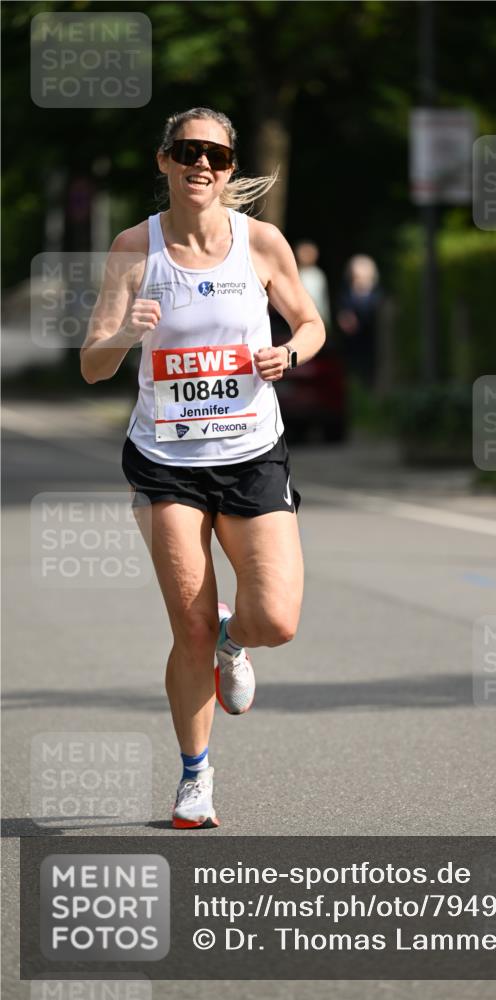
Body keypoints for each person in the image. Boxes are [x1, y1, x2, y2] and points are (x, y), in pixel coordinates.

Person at [80, 107, 325, 828]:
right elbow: (93, 364)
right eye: (188, 151)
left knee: (276, 619)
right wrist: (126, 334)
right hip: (167, 462)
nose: (201, 165)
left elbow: (309, 323)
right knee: (186, 629)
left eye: (216, 156)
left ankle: (233, 637)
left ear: (229, 168)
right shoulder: (135, 248)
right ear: (164, 160)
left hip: (251, 455)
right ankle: (195, 778)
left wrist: (290, 353)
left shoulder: (261, 242)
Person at [336, 254, 382, 389]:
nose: (360, 281)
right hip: (351, 346)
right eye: (356, 277)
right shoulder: (345, 296)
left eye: (364, 277)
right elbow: (342, 316)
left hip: (374, 347)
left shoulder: (379, 297)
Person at [294, 240, 331, 330]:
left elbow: (322, 300)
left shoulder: (318, 275)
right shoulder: (295, 273)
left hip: (317, 316)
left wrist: (325, 319)